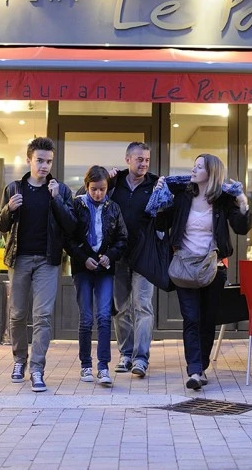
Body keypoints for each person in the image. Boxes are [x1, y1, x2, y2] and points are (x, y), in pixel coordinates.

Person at [155, 154, 251, 390]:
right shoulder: (181, 196)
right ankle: (195, 370)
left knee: (208, 321)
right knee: (191, 319)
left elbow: (240, 227)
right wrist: (160, 196)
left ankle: (202, 366)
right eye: (194, 165)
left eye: (199, 167)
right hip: (185, 268)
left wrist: (243, 202)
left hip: (213, 269)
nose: (193, 169)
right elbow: (160, 223)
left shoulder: (222, 200)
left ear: (211, 172)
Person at [0, 136, 75, 392]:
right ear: (29, 159)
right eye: (39, 160)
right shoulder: (13, 189)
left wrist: (57, 200)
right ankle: (20, 360)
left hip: (48, 260)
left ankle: (38, 369)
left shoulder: (60, 190)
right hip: (19, 259)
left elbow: (71, 226)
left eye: (49, 161)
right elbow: (2, 225)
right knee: (17, 314)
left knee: (42, 316)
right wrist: (9, 209)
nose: (44, 166)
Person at [65, 166, 128, 387]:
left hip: (104, 268)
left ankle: (103, 367)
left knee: (103, 317)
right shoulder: (77, 205)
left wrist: (109, 256)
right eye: (94, 189)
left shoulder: (114, 208)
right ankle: (85, 365)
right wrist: (84, 258)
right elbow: (69, 238)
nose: (98, 194)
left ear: (107, 187)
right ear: (87, 186)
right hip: (83, 268)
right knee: (86, 318)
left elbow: (122, 238)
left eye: (102, 189)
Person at [108, 142, 159, 377]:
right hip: (118, 255)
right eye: (139, 159)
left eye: (147, 160)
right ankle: (125, 354)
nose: (144, 164)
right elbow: (85, 196)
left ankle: (140, 358)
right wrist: (106, 179)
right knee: (120, 308)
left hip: (145, 256)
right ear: (127, 159)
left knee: (143, 307)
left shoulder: (155, 184)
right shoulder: (114, 183)